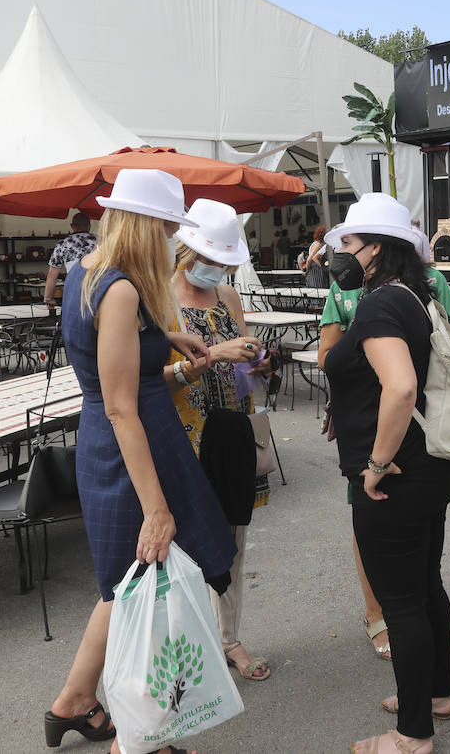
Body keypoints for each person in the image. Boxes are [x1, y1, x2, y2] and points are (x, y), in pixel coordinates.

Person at [45, 168, 238, 754]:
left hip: (117, 443)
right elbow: (123, 406)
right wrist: (156, 508)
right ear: (146, 223)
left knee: (126, 587)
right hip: (131, 448)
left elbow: (110, 367)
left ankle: (76, 702)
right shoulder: (124, 287)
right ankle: (142, 737)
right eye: (165, 227)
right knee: (147, 586)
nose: (170, 241)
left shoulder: (90, 268)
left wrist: (166, 340)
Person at [321, 193, 450, 754]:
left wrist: (375, 466)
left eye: (350, 244)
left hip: (397, 474)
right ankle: (435, 696)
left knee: (400, 600)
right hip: (433, 463)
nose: (343, 254)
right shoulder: (419, 293)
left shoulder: (380, 303)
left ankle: (411, 737)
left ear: (375, 248)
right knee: (425, 586)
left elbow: (401, 386)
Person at [167, 198, 274, 682]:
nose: (219, 270)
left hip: (234, 431)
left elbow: (244, 359)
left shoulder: (228, 297)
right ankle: (190, 645)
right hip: (185, 439)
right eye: (213, 260)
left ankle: (228, 638)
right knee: (186, 547)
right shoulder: (158, 301)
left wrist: (257, 361)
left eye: (226, 263)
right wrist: (210, 356)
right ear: (187, 251)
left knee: (234, 540)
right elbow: (153, 381)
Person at [44, 211, 98, 308]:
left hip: (74, 289)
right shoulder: (100, 241)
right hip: (98, 287)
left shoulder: (62, 244)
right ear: (89, 226)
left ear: (72, 226)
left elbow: (52, 274)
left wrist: (48, 298)